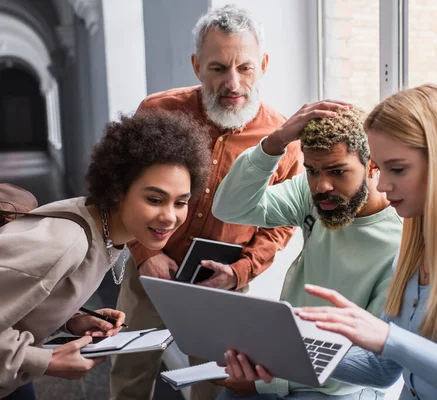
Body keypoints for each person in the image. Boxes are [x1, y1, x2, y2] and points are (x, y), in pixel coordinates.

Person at [229, 84, 437, 399]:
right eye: (381, 169)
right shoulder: (415, 246)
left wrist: (390, 339)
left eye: (397, 169)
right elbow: (382, 370)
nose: (382, 185)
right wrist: (283, 350)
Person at [108, 5, 302, 400]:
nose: (233, 82)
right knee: (131, 370)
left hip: (224, 282)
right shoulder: (157, 111)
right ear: (197, 66)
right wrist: (145, 253)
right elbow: (119, 184)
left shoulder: (283, 142)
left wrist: (241, 272)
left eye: (245, 67)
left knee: (215, 379)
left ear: (263, 64)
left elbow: (280, 225)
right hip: (152, 273)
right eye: (218, 68)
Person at [0, 110, 211, 399]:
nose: (169, 217)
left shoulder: (100, 226)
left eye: (181, 202)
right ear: (117, 190)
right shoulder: (69, 243)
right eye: (154, 199)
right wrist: (46, 361)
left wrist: (68, 318)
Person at [211, 101, 403, 399]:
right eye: (312, 171)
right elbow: (231, 207)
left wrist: (269, 381)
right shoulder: (311, 194)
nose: (321, 185)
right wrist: (275, 143)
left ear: (372, 165)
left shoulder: (399, 242)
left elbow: (372, 366)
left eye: (338, 172)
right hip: (286, 360)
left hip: (339, 389)